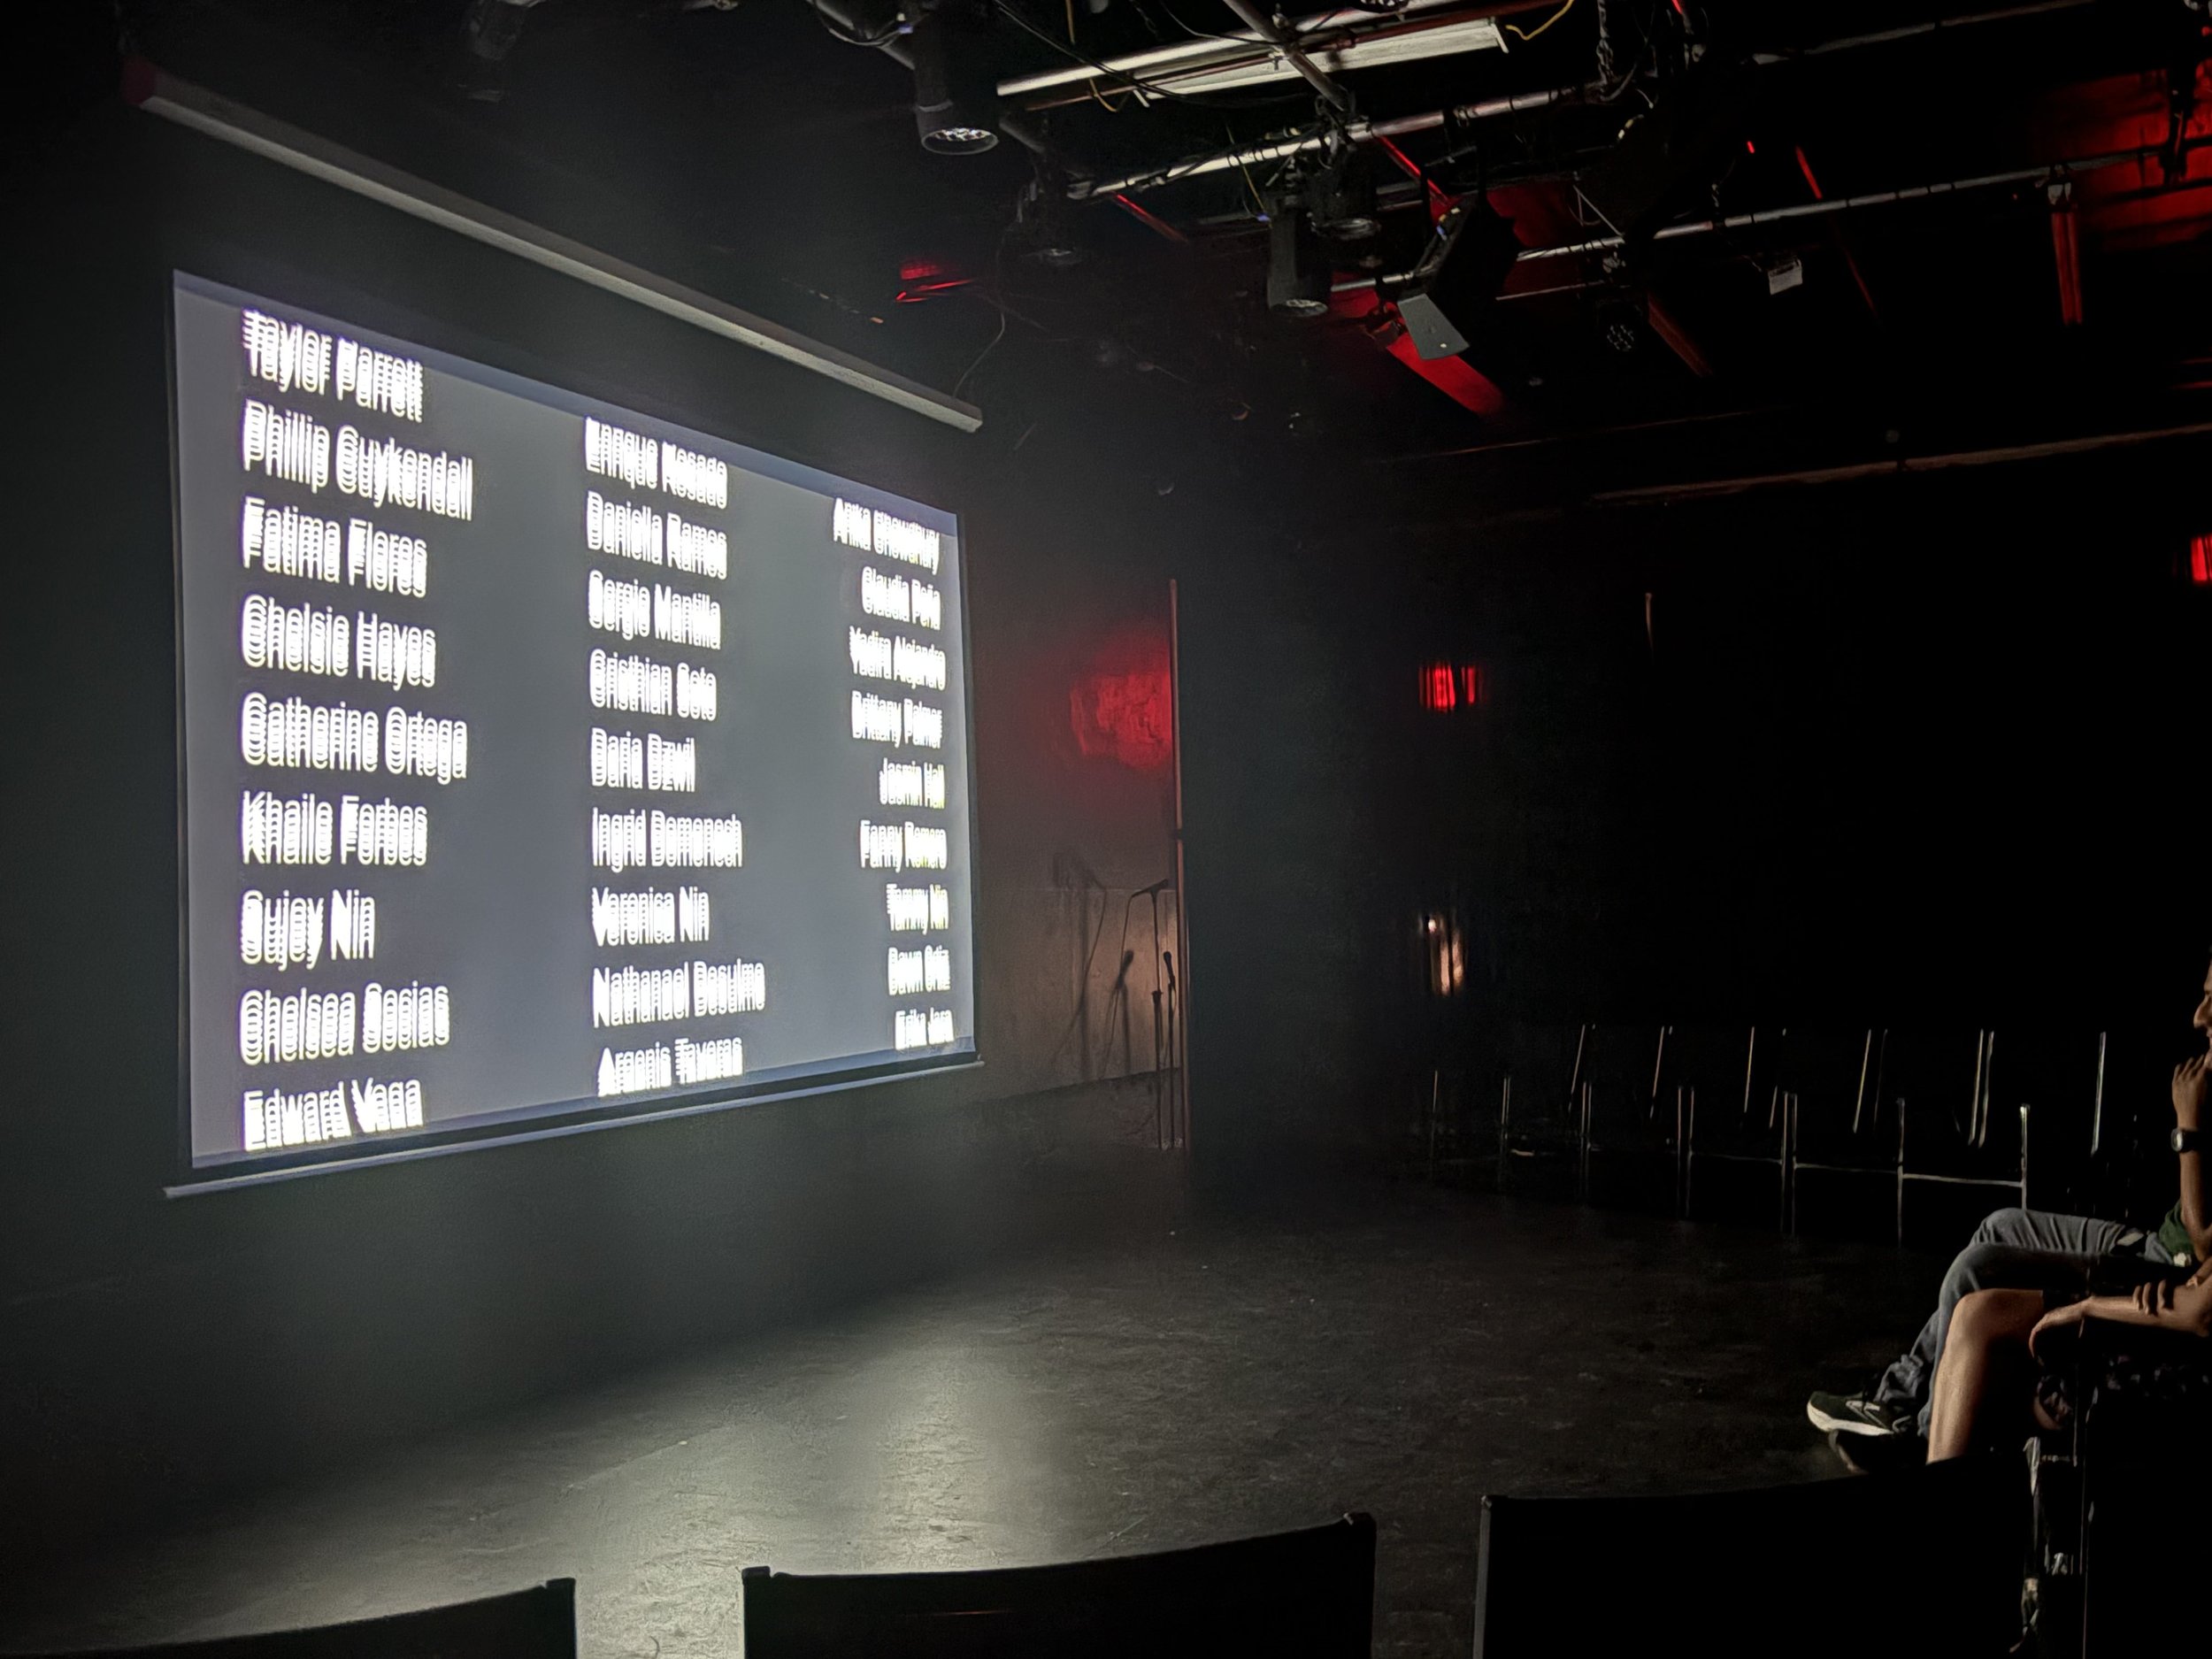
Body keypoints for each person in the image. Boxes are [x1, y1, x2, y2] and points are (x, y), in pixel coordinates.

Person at [1804, 957, 2212, 1462]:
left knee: (1978, 1269)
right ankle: (1899, 1398)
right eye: (2203, 994)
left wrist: (2189, 1128)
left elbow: (2204, 1243)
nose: (2199, 1015)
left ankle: (1923, 1436)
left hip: (2168, 1268)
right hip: (2151, 1242)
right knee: (1998, 1224)